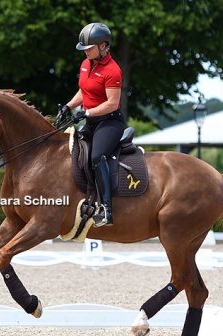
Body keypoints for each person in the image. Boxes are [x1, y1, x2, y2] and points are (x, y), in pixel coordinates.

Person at [55, 22, 126, 227]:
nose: (85, 51)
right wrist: (68, 107)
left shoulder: (113, 70)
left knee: (96, 156)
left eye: (88, 48)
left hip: (110, 121)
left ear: (103, 46)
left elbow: (112, 103)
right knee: (73, 152)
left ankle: (106, 210)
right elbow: (83, 91)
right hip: (91, 120)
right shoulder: (86, 64)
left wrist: (86, 113)